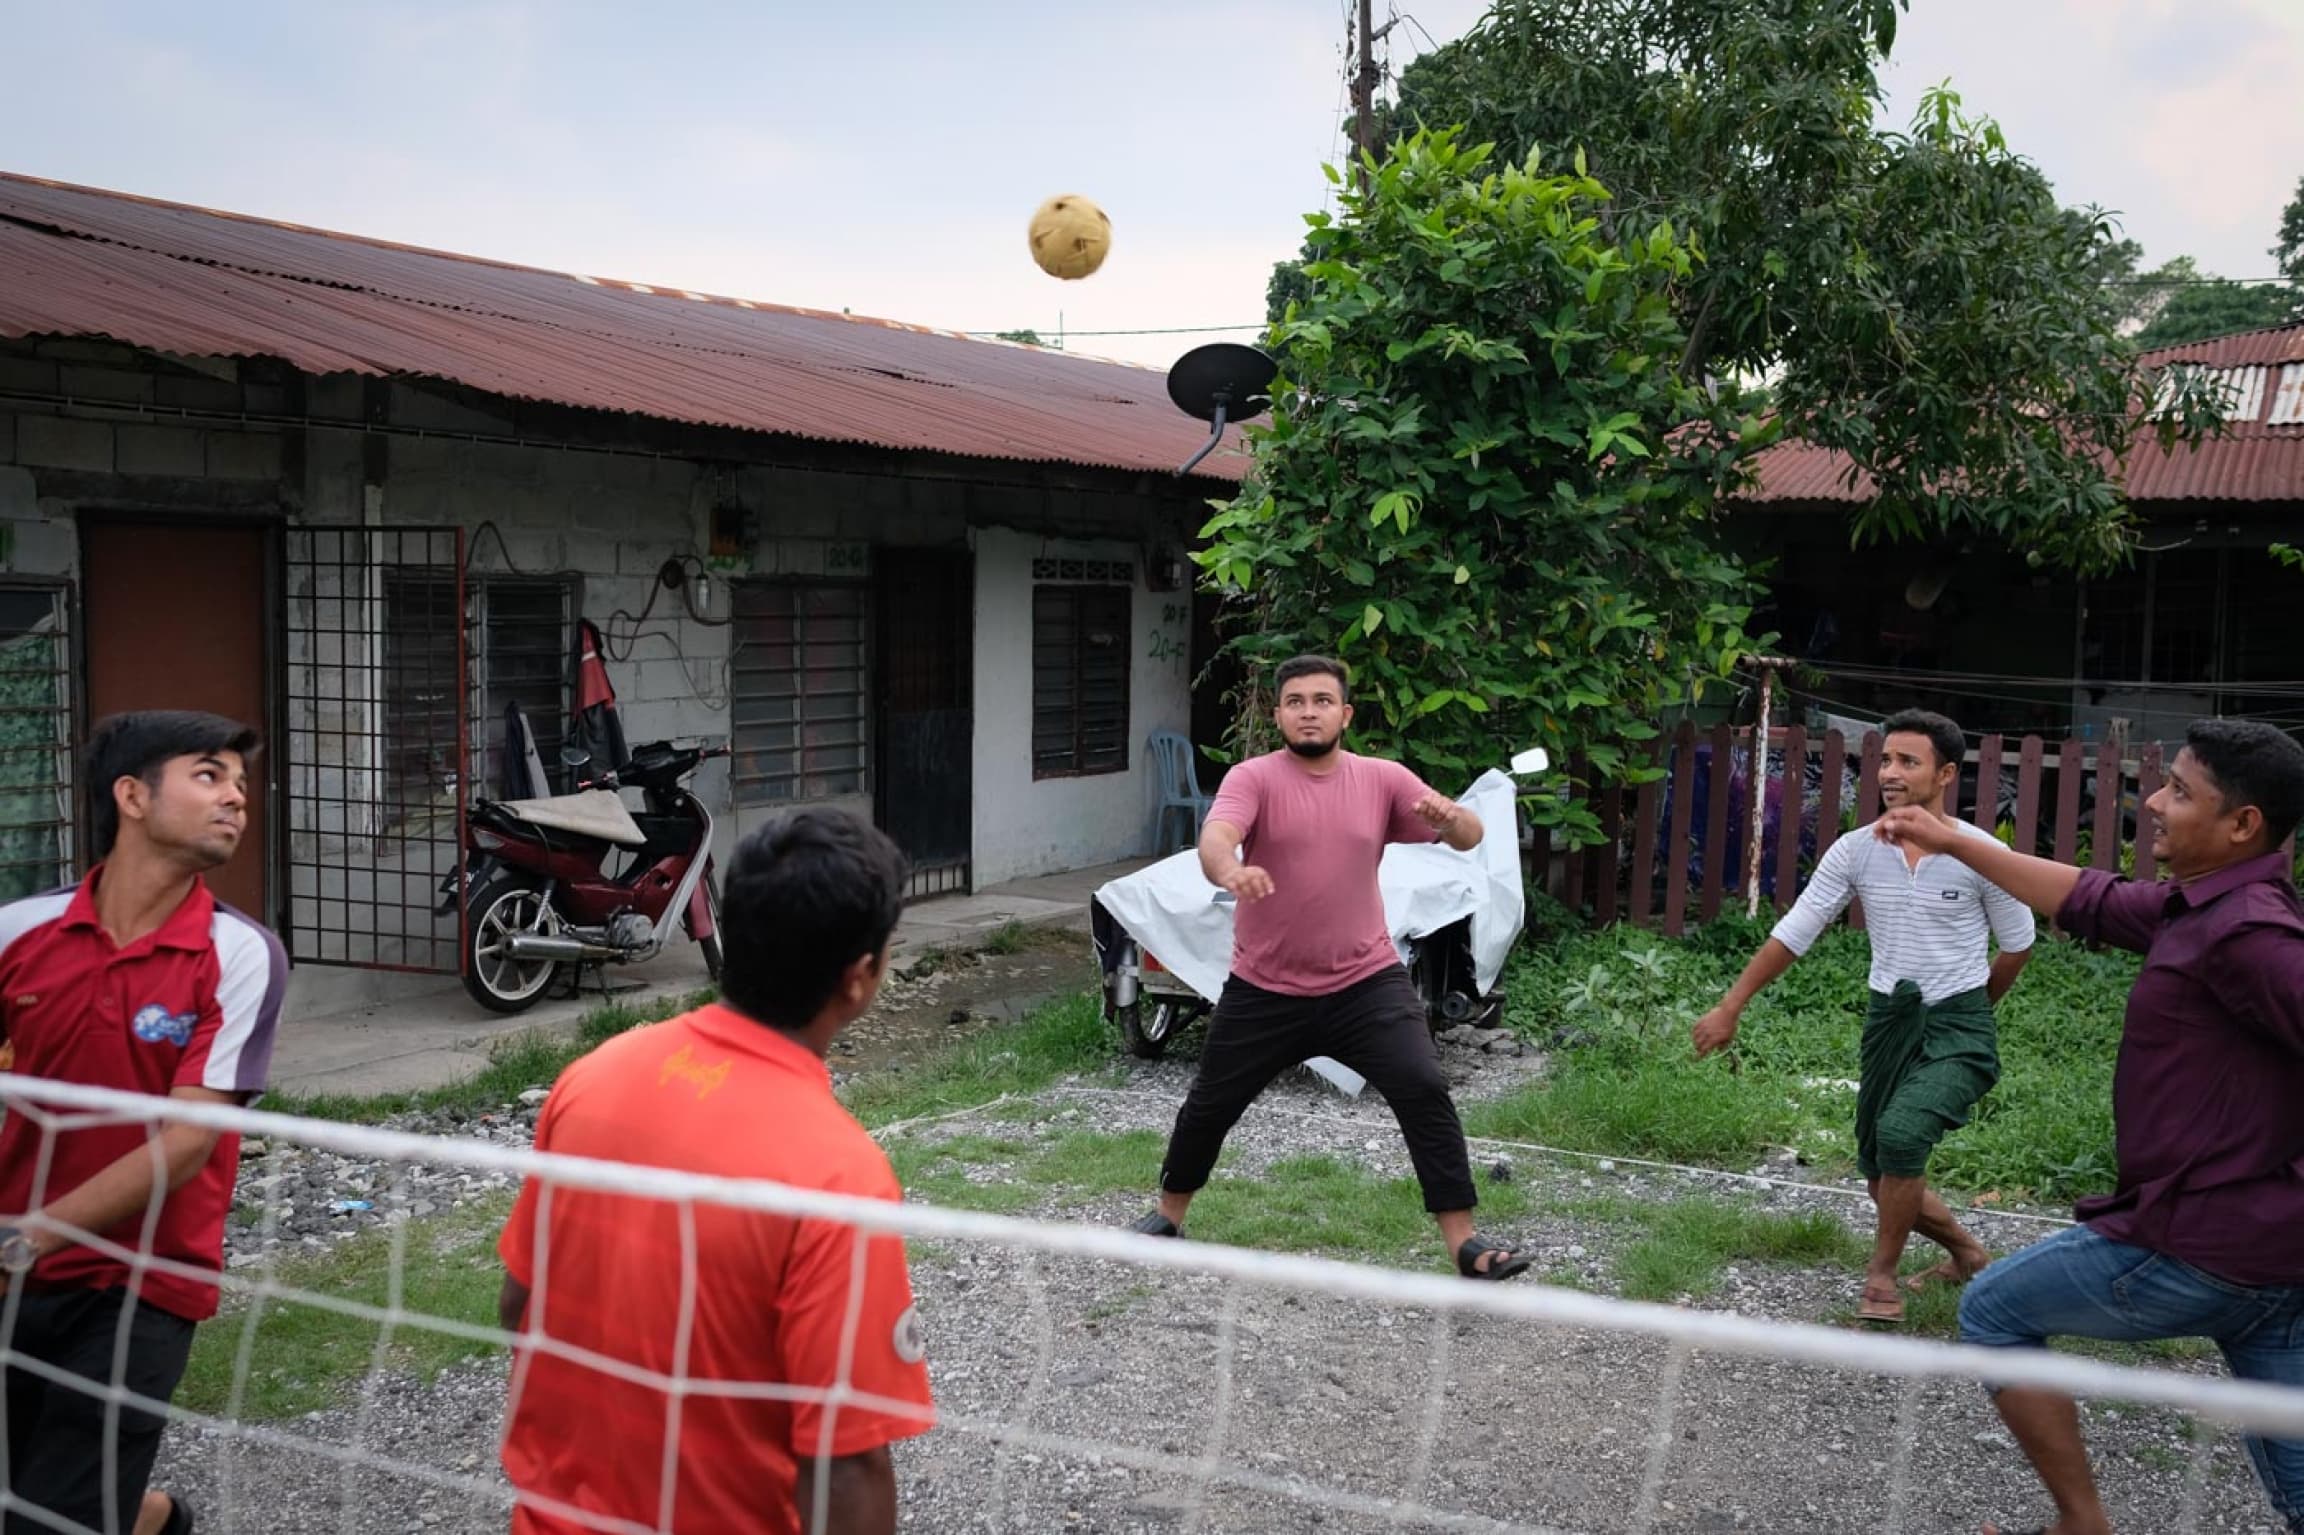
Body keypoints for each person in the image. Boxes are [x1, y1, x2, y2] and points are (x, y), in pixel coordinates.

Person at [1875, 718, 2304, 1535]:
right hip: (2275, 1250)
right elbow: (2087, 896)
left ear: (2242, 823)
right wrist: (1954, 838)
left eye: (2181, 790)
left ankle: (2083, 1523)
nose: (2155, 803)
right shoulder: (2206, 905)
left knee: (1995, 1310)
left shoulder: (2251, 934)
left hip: (2201, 1247)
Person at [495, 808, 933, 1535]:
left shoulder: (591, 1077)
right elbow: (848, 1459)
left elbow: (519, 1304)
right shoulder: (839, 1173)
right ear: (859, 978)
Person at [1128, 655, 1532, 1279]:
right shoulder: (1254, 777)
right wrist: (1228, 867)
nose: (1308, 711)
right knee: (1209, 1104)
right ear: (1279, 714)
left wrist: (1453, 820)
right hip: (1265, 987)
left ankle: (1465, 1244)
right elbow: (1217, 837)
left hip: (1364, 983)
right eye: (1295, 701)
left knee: (1424, 1089)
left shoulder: (1382, 779)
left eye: (1321, 700)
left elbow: (1471, 834)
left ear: (1344, 714)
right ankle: (1168, 1216)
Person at [0, 711, 287, 1535]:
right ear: (131, 795)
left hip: (141, 1281)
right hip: (17, 1262)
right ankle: (150, 1519)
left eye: (240, 781)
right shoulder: (21, 933)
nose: (236, 796)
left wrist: (28, 1237)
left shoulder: (240, 954)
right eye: (209, 774)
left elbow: (189, 1141)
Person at [1692, 709, 2034, 1323]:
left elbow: (2018, 940)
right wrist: (1730, 1005)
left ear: (1946, 774)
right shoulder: (1857, 850)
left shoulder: (1981, 854)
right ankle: (1968, 1255)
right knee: (1882, 1177)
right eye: (1885, 760)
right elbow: (1796, 930)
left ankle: (1881, 1277)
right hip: (1888, 1023)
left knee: (1902, 1137)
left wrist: (1974, 1014)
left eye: (1909, 762)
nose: (1891, 773)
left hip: (1959, 1025)